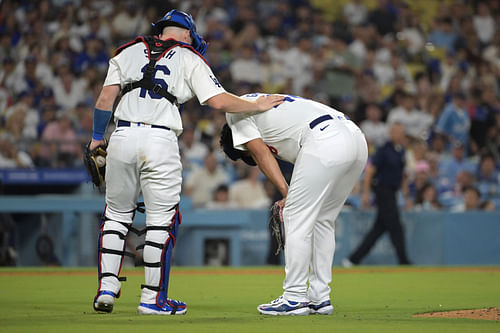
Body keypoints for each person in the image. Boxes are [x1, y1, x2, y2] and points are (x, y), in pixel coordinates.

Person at [89, 10, 283, 316]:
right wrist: (255, 104)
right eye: (191, 35)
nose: (192, 40)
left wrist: (97, 138)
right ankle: (152, 299)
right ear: (183, 33)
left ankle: (107, 287)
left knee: (115, 215)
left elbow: (104, 99)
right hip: (160, 139)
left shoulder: (127, 51)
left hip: (122, 135)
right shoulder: (188, 57)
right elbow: (218, 100)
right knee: (161, 221)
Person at [220, 93, 368, 315]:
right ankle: (320, 297)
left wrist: (286, 192)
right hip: (355, 137)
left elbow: (260, 153)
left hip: (324, 139)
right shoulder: (260, 102)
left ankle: (294, 297)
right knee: (322, 221)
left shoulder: (234, 113)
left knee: (293, 215)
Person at [344, 123, 412, 266]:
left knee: (378, 230)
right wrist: (366, 193)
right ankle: (403, 261)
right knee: (396, 228)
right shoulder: (384, 150)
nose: (400, 135)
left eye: (401, 132)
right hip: (383, 191)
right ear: (391, 133)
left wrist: (406, 195)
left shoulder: (400, 151)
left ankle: (353, 259)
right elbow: (370, 172)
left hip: (393, 192)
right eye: (397, 131)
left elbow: (403, 175)